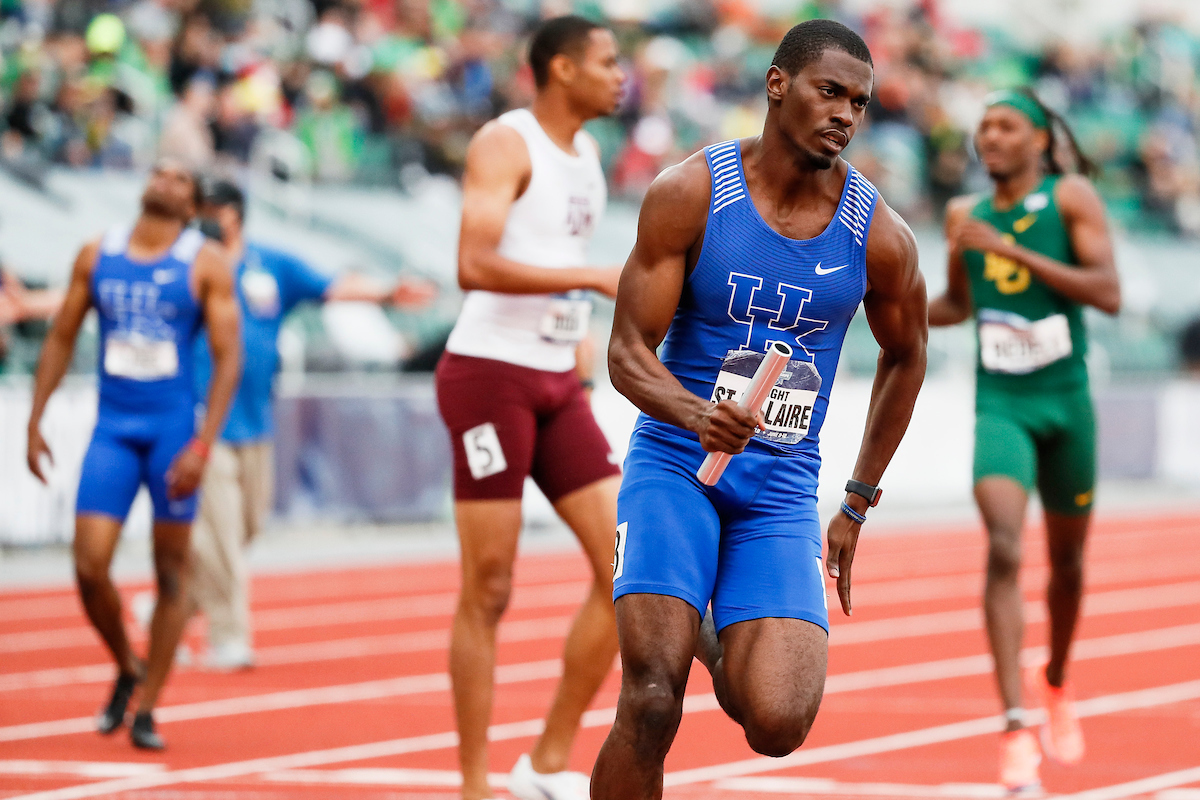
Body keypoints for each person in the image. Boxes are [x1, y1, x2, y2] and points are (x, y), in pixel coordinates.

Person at [593, 20, 928, 799]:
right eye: (830, 92)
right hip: (675, 467)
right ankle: (682, 641)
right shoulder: (692, 193)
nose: (846, 113)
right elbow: (625, 353)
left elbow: (908, 356)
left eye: (860, 102)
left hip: (778, 488)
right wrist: (691, 413)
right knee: (649, 700)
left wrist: (857, 498)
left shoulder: (877, 236)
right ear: (778, 85)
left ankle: (710, 640)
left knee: (777, 720)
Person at [434, 15, 625, 800]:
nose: (623, 76)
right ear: (561, 70)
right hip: (489, 377)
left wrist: (576, 328)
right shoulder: (505, 144)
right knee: (490, 586)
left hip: (555, 380)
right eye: (608, 63)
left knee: (629, 568)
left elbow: (554, 257)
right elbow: (472, 263)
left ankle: (546, 763)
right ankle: (475, 784)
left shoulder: (588, 156)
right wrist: (587, 280)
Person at [928, 89, 1120, 792]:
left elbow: (1107, 291)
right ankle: (1014, 725)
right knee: (1004, 544)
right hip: (1002, 402)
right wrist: (888, 302)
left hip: (1065, 403)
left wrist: (1011, 250)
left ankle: (1058, 682)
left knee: (1066, 564)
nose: (990, 137)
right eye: (983, 127)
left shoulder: (1070, 198)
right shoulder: (962, 214)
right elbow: (957, 303)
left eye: (1007, 125)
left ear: (1040, 139)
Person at [25, 159, 240, 750]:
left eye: (179, 180)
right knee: (90, 565)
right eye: (158, 172)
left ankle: (148, 709)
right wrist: (36, 418)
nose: (164, 181)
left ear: (192, 206)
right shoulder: (97, 253)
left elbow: (229, 357)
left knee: (171, 571)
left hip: (172, 434)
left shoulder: (204, 263)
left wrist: (202, 444)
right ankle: (126, 662)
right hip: (113, 430)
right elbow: (63, 334)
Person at [184, 180, 435, 670]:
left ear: (234, 214)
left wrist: (386, 293)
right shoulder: (189, 264)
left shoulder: (269, 264)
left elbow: (332, 287)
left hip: (256, 418)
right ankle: (228, 637)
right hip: (203, 420)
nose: (204, 217)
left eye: (212, 209)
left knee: (245, 528)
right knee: (220, 532)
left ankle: (172, 605)